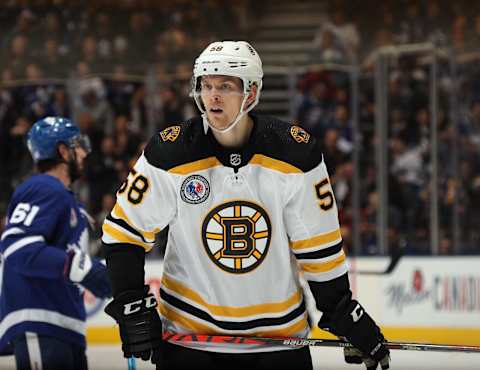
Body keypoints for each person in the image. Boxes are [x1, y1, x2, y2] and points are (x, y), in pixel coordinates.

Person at [102, 41, 391, 370]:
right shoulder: (171, 152)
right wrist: (132, 305)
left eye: (225, 87)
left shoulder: (295, 155)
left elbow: (319, 249)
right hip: (189, 338)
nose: (213, 96)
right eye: (207, 86)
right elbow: (123, 231)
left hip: (278, 341)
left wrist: (343, 313)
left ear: (251, 93)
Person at [0, 117, 111, 370]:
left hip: (63, 325)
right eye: (78, 145)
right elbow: (19, 248)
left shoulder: (64, 198)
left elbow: (68, 261)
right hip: (41, 319)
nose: (83, 152)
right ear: (63, 151)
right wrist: (85, 268)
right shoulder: (43, 187)